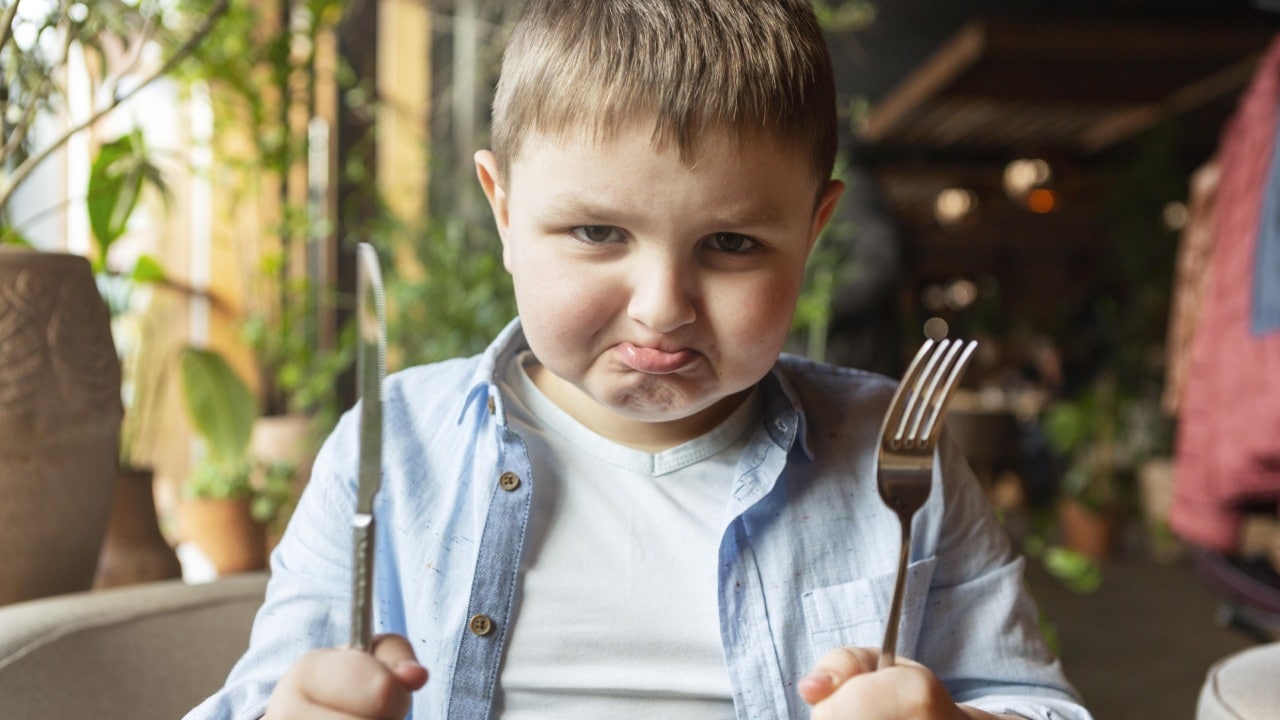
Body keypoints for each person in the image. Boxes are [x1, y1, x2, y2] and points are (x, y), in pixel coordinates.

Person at [186, 1, 1091, 718]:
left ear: (813, 232)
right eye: (595, 231)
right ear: (503, 213)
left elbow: (1034, 704)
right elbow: (259, 697)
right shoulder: (391, 453)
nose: (663, 305)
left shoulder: (901, 455)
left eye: (732, 243)